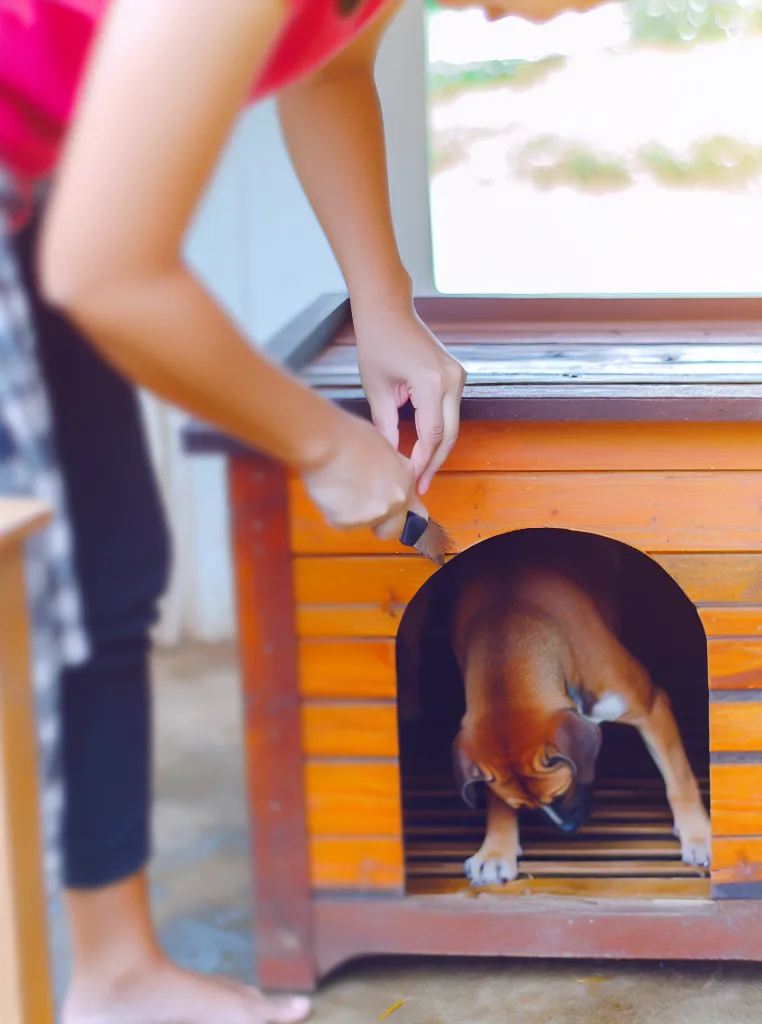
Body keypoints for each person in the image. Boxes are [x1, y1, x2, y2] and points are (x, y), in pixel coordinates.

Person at [0, 0, 470, 1021]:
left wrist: (383, 304)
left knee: (107, 560)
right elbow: (107, 271)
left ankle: (119, 974)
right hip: (36, 193)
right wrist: (320, 442)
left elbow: (328, 70)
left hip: (33, 185)